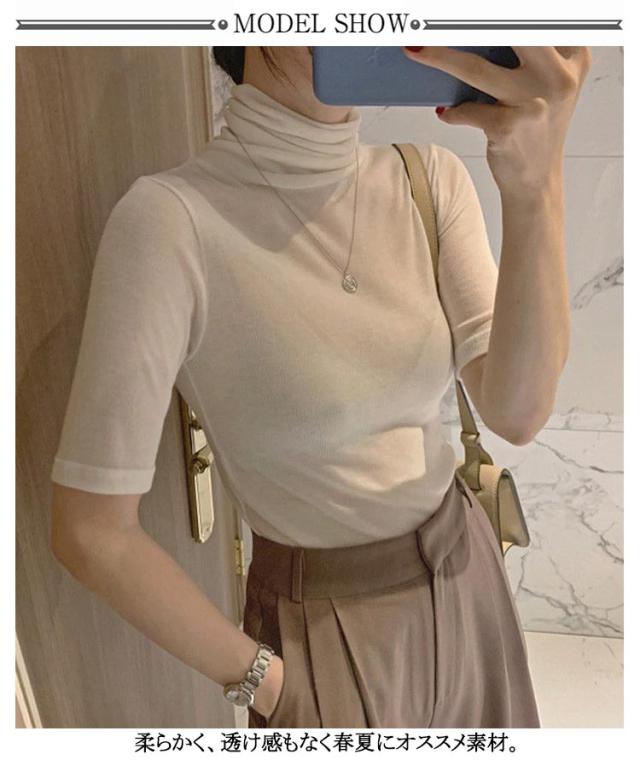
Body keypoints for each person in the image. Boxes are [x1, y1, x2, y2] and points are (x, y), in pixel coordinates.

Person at [49, 46, 591, 728]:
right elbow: (90, 530)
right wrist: (271, 686)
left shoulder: (427, 179)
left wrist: (537, 185)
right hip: (323, 633)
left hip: (466, 571)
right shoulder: (171, 222)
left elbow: (518, 413)